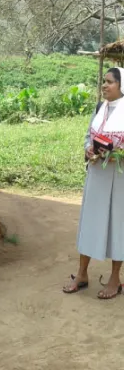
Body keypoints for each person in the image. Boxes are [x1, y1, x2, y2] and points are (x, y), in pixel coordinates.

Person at [63, 67, 124, 299]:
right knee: (90, 221)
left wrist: (119, 152)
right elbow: (89, 136)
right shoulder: (100, 109)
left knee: (119, 225)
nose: (105, 86)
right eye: (104, 82)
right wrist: (88, 149)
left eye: (109, 82)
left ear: (121, 85)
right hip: (97, 174)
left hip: (119, 178)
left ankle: (114, 278)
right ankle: (82, 274)